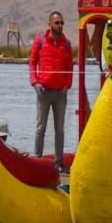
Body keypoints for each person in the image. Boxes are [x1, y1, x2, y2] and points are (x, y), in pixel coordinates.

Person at [29, 11, 74, 170]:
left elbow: (69, 67)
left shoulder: (66, 44)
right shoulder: (40, 41)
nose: (60, 25)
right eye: (57, 23)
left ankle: (59, 163)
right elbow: (32, 63)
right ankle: (37, 160)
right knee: (40, 127)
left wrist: (67, 85)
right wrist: (35, 83)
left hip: (60, 94)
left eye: (62, 23)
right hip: (44, 92)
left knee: (60, 129)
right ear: (50, 24)